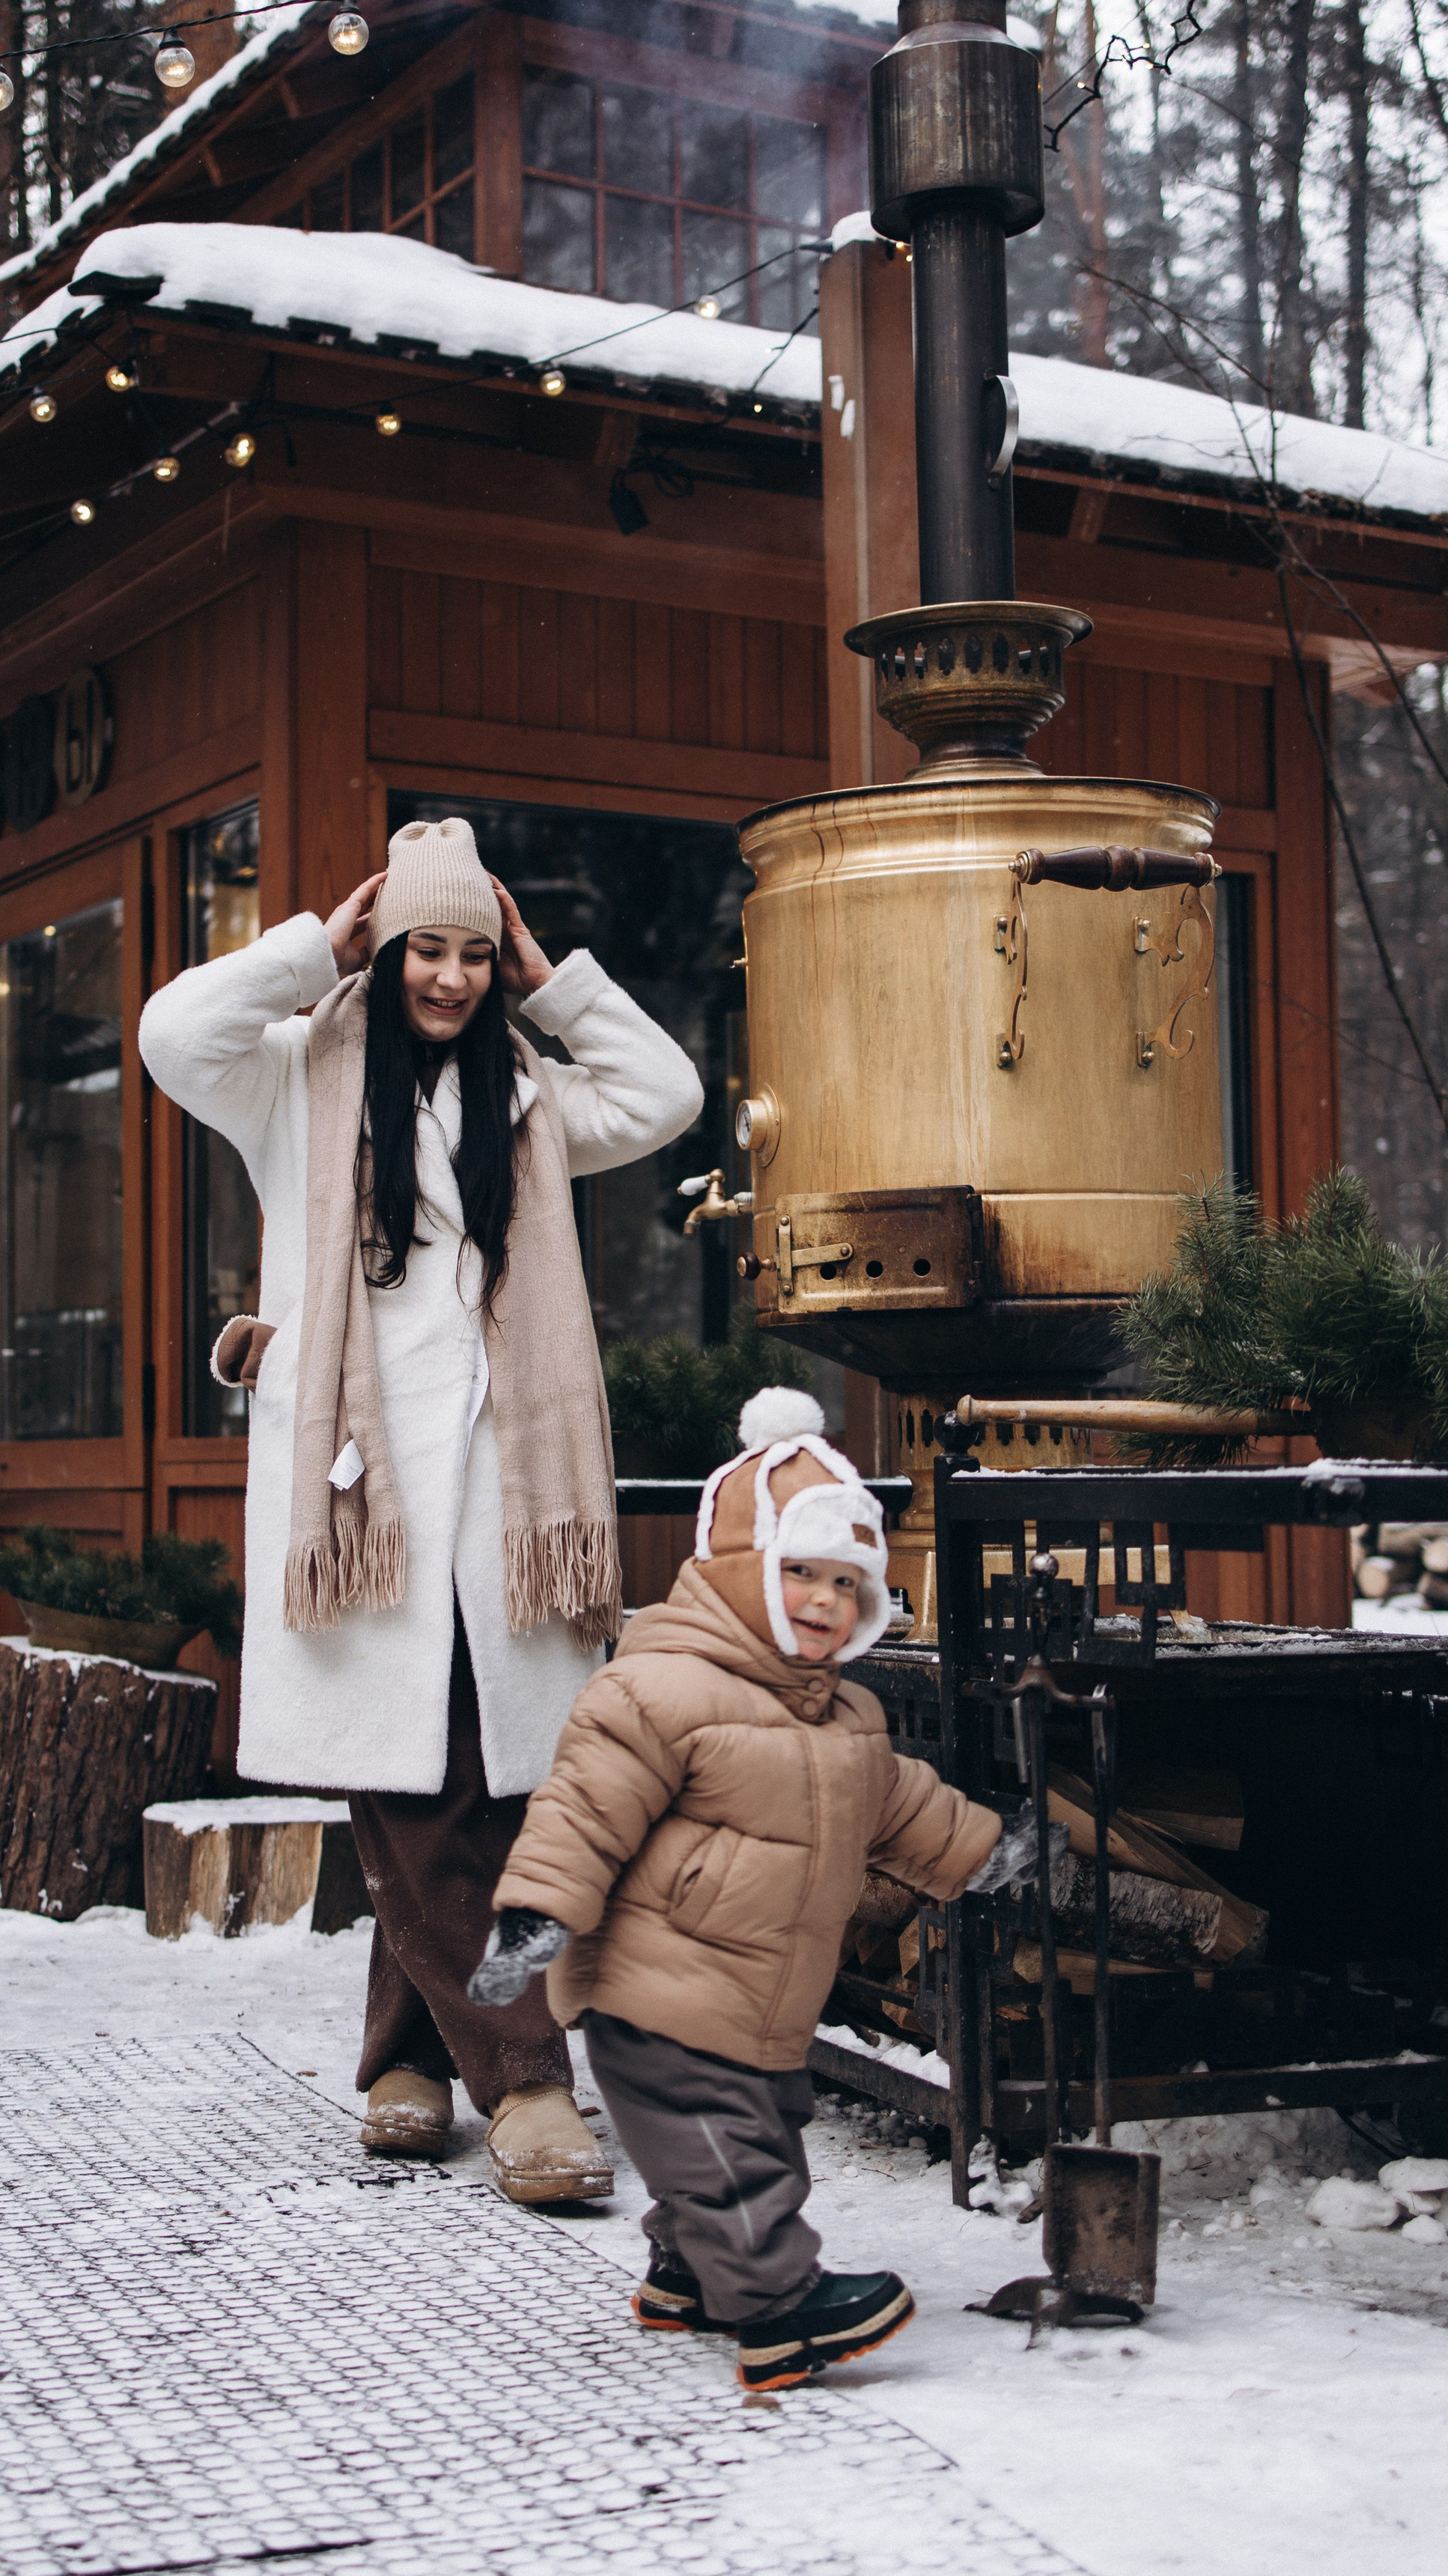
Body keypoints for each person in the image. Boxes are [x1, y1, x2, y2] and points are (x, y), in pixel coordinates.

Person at [139, 815, 704, 2203]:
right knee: (428, 1778)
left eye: (469, 954)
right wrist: (305, 952)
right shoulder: (291, 1076)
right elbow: (169, 1030)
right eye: (423, 951)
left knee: (461, 1780)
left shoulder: (527, 1095)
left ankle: (403, 2062)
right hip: (363, 1496)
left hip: (507, 1498)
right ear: (381, 952)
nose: (448, 979)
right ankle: (525, 2082)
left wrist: (549, 974)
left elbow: (669, 1090)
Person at [465, 1388, 1052, 2391]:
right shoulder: (661, 1689)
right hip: (656, 1995)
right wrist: (536, 1914)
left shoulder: (847, 1719)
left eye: (847, 1584)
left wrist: (987, 1853)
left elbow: (906, 1809)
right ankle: (778, 2311)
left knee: (762, 2130)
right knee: (736, 2160)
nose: (826, 1601)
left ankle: (685, 2275)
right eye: (800, 1574)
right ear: (740, 1573)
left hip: (758, 2005)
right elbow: (582, 1809)